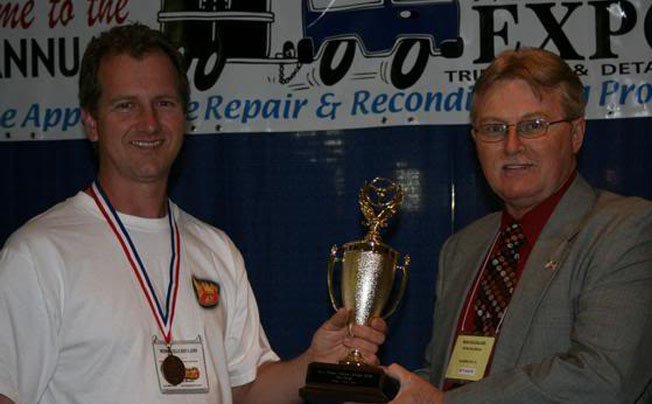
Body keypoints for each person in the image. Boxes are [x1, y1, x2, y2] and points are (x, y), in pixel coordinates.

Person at [0, 23, 385, 404]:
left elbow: (247, 390)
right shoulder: (38, 255)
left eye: (164, 103)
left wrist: (312, 363)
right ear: (91, 123)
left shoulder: (216, 249)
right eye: (125, 105)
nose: (149, 122)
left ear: (185, 116)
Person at [385, 48, 652, 403]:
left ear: (576, 134)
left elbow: (602, 378)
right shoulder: (462, 248)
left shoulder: (628, 230)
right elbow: (443, 376)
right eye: (494, 128)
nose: (512, 145)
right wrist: (384, 392)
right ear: (475, 141)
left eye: (533, 126)